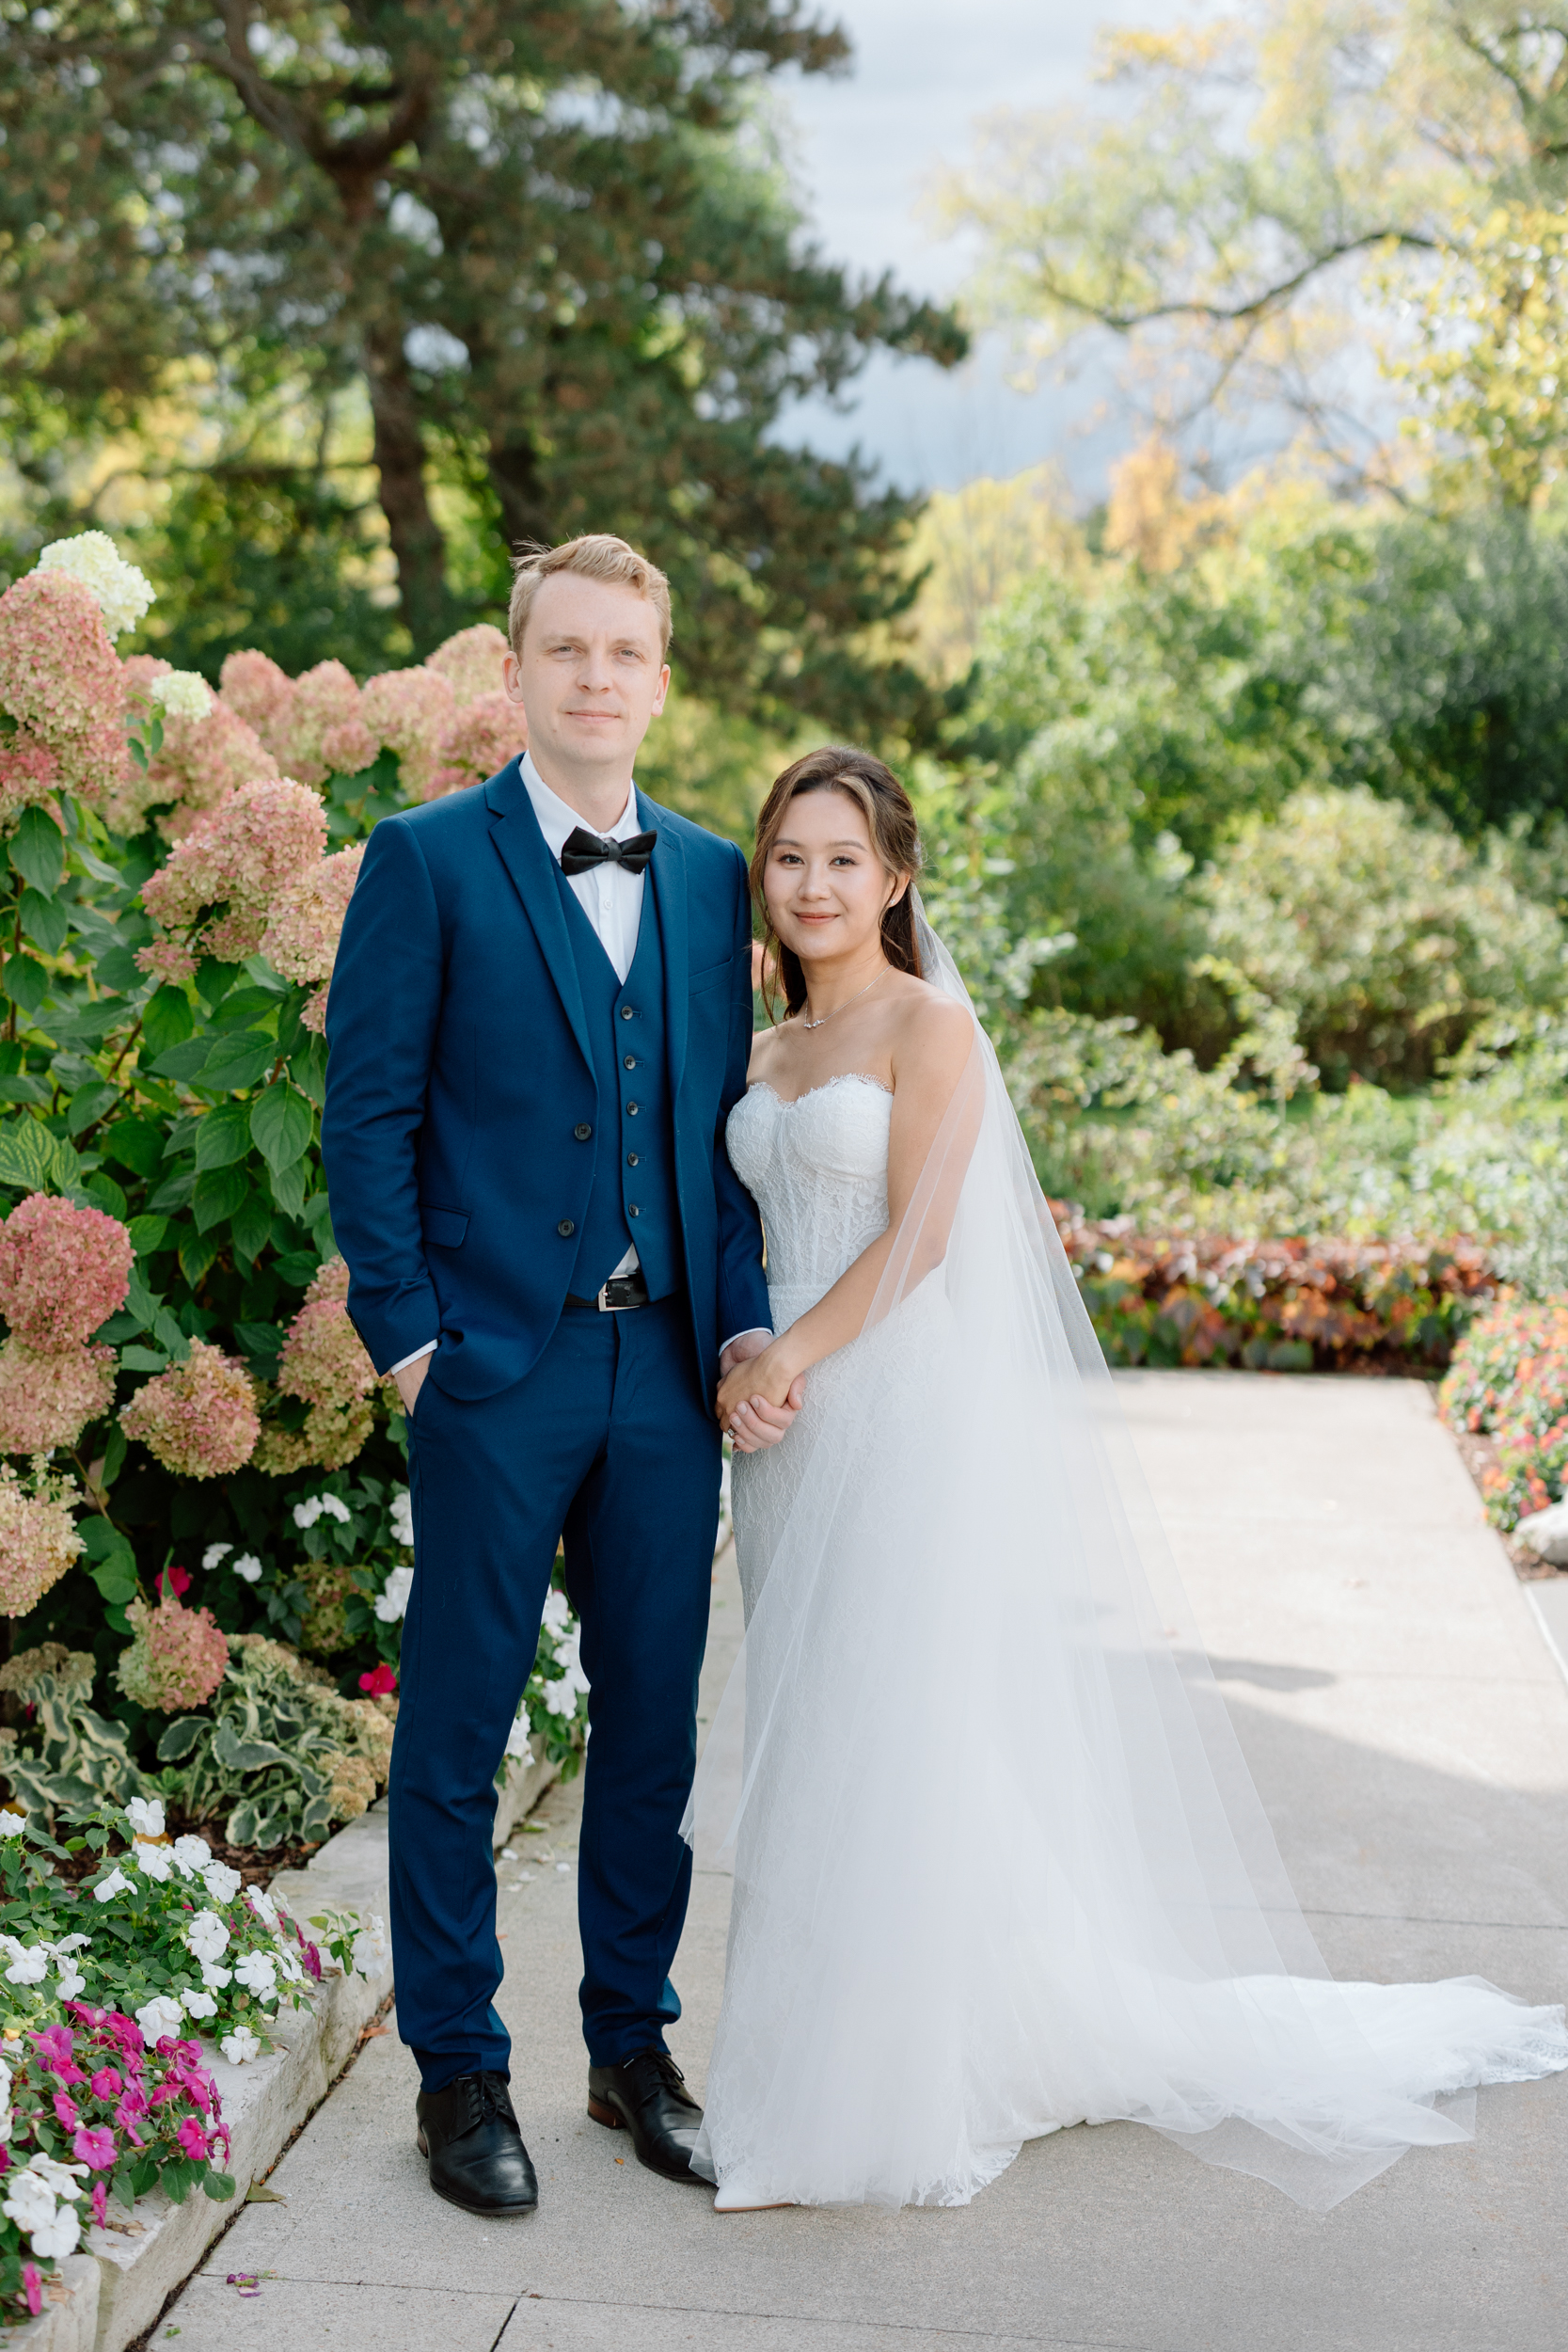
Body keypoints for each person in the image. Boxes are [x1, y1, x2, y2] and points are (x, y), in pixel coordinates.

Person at [693, 742, 1568, 2214]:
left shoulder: (931, 1030)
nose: (816, 883)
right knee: (817, 1736)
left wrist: (793, 1362)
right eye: (790, 857)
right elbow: (741, 1228)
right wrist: (747, 1359)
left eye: (845, 859)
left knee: (889, 1730)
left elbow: (919, 1245)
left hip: (885, 1407)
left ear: (895, 879)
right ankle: (815, 2045)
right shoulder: (761, 1051)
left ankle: (891, 2085)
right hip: (782, 1433)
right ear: (763, 879)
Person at [322, 533, 799, 2218]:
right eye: (569, 650)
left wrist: (739, 1322)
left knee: (652, 1730)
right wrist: (412, 1339)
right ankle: (460, 2073)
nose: (598, 678)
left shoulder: (712, 877)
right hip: (495, 1370)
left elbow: (723, 1143)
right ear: (516, 670)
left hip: (663, 1369)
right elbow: (364, 1115)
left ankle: (629, 2048)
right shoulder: (426, 860)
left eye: (627, 654)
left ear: (662, 678)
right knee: (454, 1727)